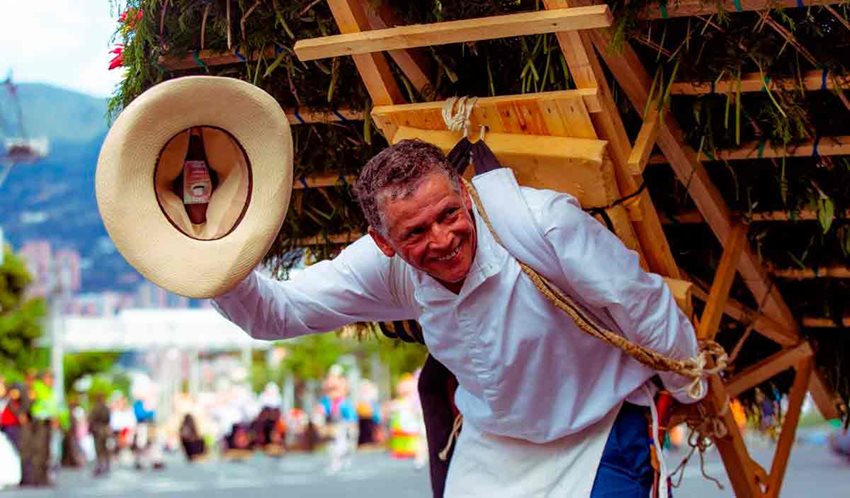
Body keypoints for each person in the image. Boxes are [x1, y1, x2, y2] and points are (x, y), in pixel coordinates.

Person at [213, 139, 704, 497]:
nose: (443, 239)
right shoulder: (382, 268)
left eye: (449, 214)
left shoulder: (545, 226)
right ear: (384, 243)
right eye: (417, 232)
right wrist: (211, 253)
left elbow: (640, 302)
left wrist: (689, 390)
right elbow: (277, 312)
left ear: (467, 195)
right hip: (495, 452)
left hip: (602, 428)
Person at [88, 393, 111, 476]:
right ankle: (105, 464)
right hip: (103, 429)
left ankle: (100, 465)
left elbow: (90, 419)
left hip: (97, 430)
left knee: (99, 448)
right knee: (104, 448)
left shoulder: (95, 408)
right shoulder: (106, 408)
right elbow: (108, 418)